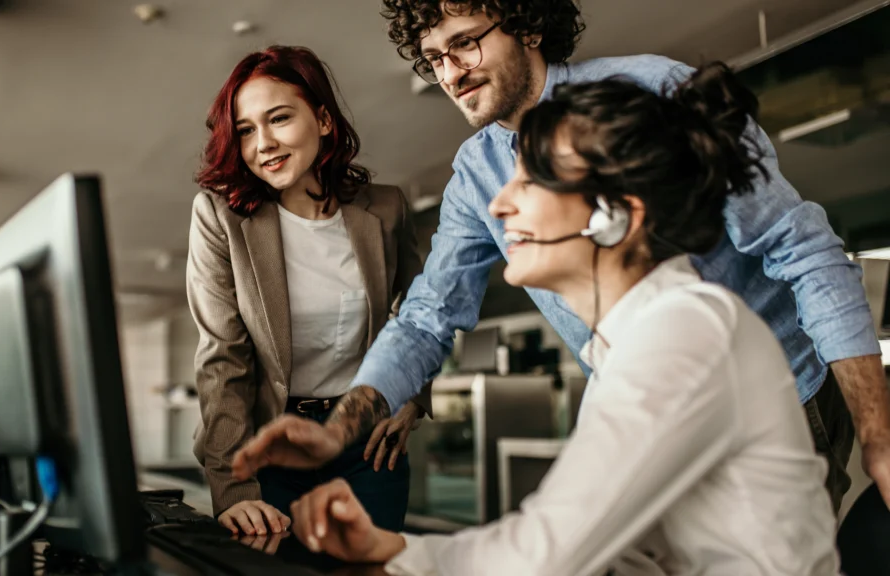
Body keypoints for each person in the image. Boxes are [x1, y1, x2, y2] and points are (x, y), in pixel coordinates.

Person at [232, 0, 890, 514]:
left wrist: (878, 437)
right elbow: (428, 314)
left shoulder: (652, 91)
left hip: (771, 398)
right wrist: (341, 428)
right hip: (644, 420)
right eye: (434, 58)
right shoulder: (477, 169)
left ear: (526, 24)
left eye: (466, 42)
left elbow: (802, 248)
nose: (451, 73)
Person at [284, 61, 841, 575]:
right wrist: (386, 549)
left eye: (529, 182)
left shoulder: (684, 333)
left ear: (612, 216)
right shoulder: (627, 349)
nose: (499, 206)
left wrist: (397, 555)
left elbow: (543, 555)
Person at [186, 45, 430, 537]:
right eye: (246, 130)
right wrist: (232, 489)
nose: (263, 144)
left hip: (367, 445)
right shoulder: (220, 217)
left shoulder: (386, 209)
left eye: (279, 118)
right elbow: (224, 359)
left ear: (323, 119)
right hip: (269, 446)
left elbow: (420, 316)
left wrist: (413, 398)